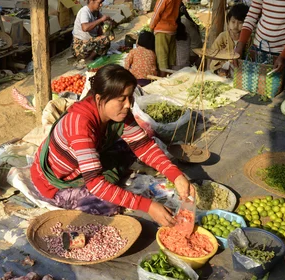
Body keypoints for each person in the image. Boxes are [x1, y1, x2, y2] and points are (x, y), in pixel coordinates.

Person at [31, 65, 195, 227]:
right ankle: (73, 194)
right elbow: (95, 183)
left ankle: (108, 177)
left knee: (134, 146)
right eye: (121, 99)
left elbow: (143, 146)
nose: (128, 104)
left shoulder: (118, 113)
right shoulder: (81, 124)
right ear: (99, 99)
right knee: (108, 205)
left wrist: (176, 175)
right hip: (57, 181)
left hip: (85, 163)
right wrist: (148, 206)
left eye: (130, 97)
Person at [234, 0, 285, 88]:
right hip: (258, 49)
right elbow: (251, 17)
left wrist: (283, 56)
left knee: (280, 91)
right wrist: (240, 46)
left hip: (284, 54)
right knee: (254, 87)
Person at [208, 3, 249, 77]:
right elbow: (212, 54)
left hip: (241, 72)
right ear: (228, 21)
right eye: (233, 22)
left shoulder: (249, 39)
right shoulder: (222, 37)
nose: (236, 26)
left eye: (240, 23)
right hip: (222, 70)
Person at [72, 0, 112, 65]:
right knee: (105, 40)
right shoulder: (84, 11)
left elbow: (101, 25)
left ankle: (94, 55)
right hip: (80, 45)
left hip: (90, 42)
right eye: (99, 3)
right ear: (91, 1)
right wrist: (101, 20)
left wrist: (107, 22)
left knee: (107, 35)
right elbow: (85, 28)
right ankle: (88, 59)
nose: (101, 5)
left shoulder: (96, 12)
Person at [150, 0, 182, 73]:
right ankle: (170, 77)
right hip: (172, 28)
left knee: (162, 58)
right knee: (170, 58)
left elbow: (157, 13)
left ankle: (163, 79)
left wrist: (151, 26)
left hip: (162, 29)